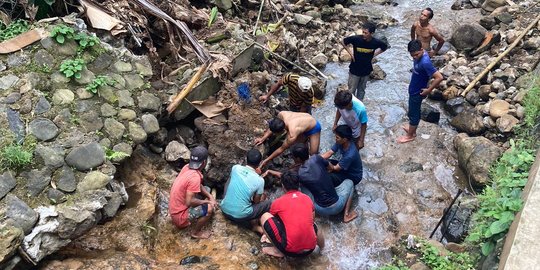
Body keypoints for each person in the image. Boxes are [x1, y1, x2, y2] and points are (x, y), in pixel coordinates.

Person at [260, 170, 325, 258]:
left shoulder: (278, 202)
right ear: (298, 185)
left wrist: (266, 235)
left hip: (289, 251)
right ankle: (323, 249)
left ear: (283, 186)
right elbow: (312, 220)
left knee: (265, 216)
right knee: (314, 225)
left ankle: (277, 250)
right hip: (310, 249)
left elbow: (273, 220)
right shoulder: (307, 198)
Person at [292, 143, 358, 223]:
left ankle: (313, 213)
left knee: (303, 185)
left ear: (298, 159)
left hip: (319, 209)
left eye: (293, 157)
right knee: (350, 182)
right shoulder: (316, 158)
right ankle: (346, 215)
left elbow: (284, 176)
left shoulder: (300, 173)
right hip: (338, 206)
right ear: (308, 151)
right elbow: (330, 167)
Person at [398, 40, 443, 143]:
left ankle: (410, 135)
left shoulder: (425, 62)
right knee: (412, 111)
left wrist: (428, 90)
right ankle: (411, 129)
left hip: (418, 92)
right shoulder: (420, 56)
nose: (414, 57)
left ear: (422, 50)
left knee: (414, 114)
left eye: (417, 54)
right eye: (412, 55)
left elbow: (439, 77)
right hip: (414, 88)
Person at [169, 146, 217, 239]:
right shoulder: (195, 177)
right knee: (210, 209)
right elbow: (189, 202)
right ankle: (196, 233)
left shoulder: (187, 167)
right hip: (180, 217)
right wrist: (208, 202)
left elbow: (199, 186)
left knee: (206, 189)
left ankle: (203, 206)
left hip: (175, 209)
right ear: (204, 162)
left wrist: (210, 196)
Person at [221, 149, 271, 234]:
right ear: (259, 163)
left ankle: (226, 199)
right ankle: (255, 226)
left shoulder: (235, 168)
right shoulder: (260, 180)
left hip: (224, 209)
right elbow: (256, 201)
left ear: (246, 158)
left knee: (230, 179)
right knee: (268, 203)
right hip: (239, 216)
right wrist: (258, 175)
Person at [255, 111, 321, 169]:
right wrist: (263, 138)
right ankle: (300, 164)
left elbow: (281, 148)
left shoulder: (292, 135)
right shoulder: (281, 115)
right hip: (302, 123)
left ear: (283, 131)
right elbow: (273, 127)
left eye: (276, 134)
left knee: (313, 155)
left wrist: (266, 160)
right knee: (299, 148)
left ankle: (314, 168)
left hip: (313, 127)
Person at [342, 21, 388, 100]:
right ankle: (350, 108)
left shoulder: (375, 42)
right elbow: (343, 41)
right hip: (354, 70)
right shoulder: (356, 39)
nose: (363, 34)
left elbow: (384, 47)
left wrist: (374, 54)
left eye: (366, 33)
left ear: (372, 33)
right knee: (351, 91)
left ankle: (359, 107)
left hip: (366, 71)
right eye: (363, 32)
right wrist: (350, 53)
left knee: (361, 91)